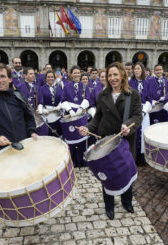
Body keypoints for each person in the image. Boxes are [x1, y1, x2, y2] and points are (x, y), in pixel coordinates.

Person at [78, 61, 142, 220]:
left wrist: (128, 126)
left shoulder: (132, 94)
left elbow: (138, 116)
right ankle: (109, 205)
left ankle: (127, 201)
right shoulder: (103, 94)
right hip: (106, 141)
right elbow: (98, 117)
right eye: (110, 75)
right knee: (108, 175)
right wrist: (88, 128)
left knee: (125, 171)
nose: (112, 78)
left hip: (125, 140)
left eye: (115, 74)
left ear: (122, 75)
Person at [61, 66, 90, 167]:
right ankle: (73, 161)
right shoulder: (66, 86)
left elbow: (88, 98)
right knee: (71, 138)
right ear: (71, 74)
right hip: (70, 116)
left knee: (81, 137)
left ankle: (82, 161)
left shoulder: (85, 86)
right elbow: (63, 100)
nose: (77, 75)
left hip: (81, 115)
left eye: (78, 73)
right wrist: (69, 110)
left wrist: (81, 108)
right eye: (75, 73)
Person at [129, 62, 151, 165]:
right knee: (134, 133)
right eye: (135, 69)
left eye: (138, 69)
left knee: (143, 133)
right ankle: (133, 157)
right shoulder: (130, 82)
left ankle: (142, 158)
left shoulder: (147, 83)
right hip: (133, 110)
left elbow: (149, 99)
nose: (136, 71)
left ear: (142, 70)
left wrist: (144, 111)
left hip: (145, 111)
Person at [16, 67, 49, 136]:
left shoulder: (37, 87)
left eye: (34, 74)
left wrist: (40, 106)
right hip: (24, 118)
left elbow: (41, 100)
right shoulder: (19, 87)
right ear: (24, 75)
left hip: (36, 117)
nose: (33, 75)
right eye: (30, 74)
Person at [38, 70, 62, 137]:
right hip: (47, 114)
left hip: (57, 114)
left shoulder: (59, 88)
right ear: (46, 78)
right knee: (49, 134)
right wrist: (42, 109)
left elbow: (62, 99)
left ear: (54, 78)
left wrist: (60, 105)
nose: (50, 78)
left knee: (58, 133)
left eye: (52, 77)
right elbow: (41, 101)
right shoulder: (41, 88)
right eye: (48, 77)